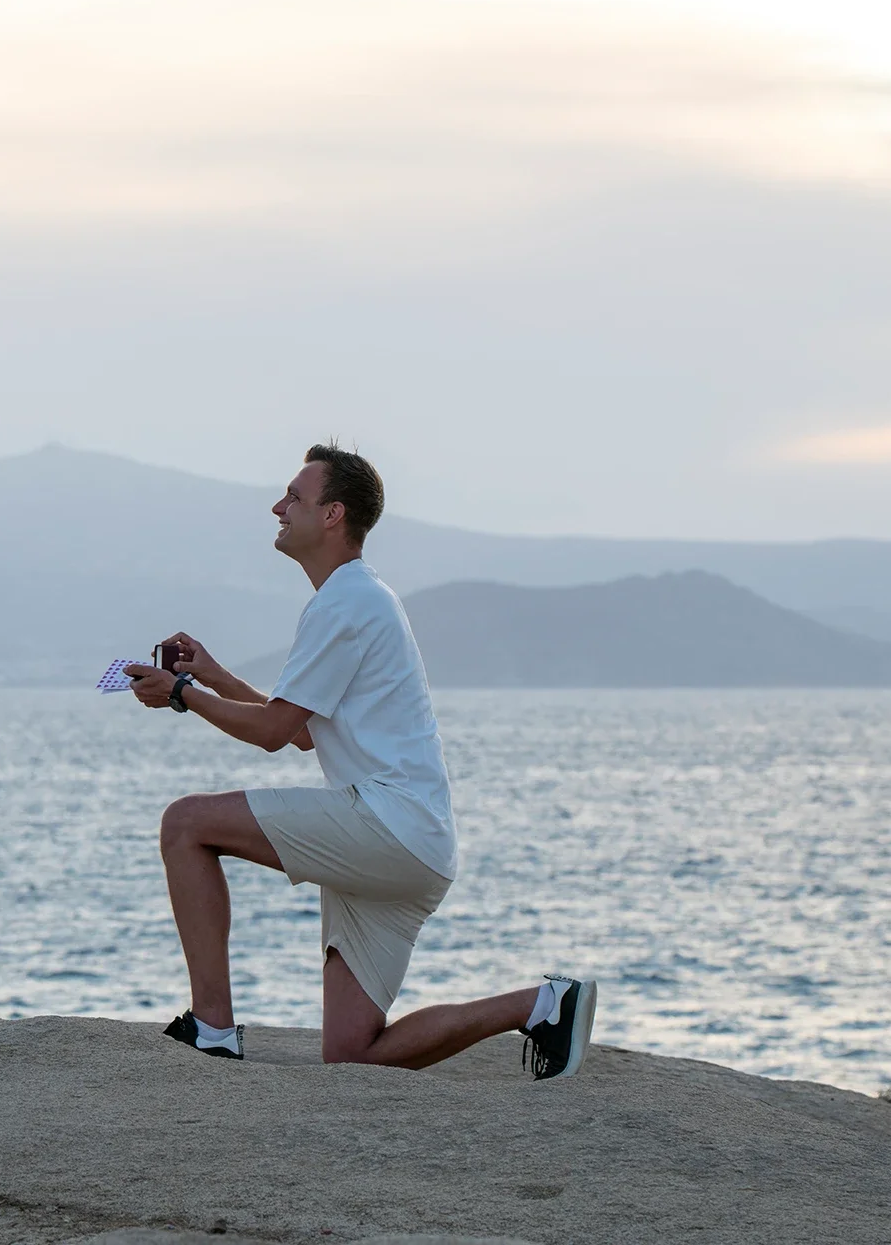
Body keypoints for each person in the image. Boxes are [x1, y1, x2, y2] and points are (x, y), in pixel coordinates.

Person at [125, 443, 596, 1076]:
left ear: (331, 515)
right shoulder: (358, 598)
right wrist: (209, 674)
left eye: (294, 496)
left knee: (185, 824)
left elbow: (273, 732)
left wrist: (184, 694)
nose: (277, 506)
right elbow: (299, 730)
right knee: (352, 1055)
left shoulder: (344, 603)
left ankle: (212, 1030)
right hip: (412, 850)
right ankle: (541, 1005)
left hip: (387, 828)